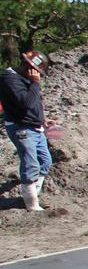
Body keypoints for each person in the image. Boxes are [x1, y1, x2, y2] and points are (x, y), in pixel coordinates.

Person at [0, 50, 53, 211]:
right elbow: (26, 103)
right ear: (27, 66)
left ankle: (31, 196)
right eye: (36, 70)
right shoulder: (9, 79)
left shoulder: (26, 78)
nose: (37, 74)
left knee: (45, 161)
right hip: (21, 127)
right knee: (30, 164)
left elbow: (34, 103)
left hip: (34, 126)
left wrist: (42, 119)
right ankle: (31, 204)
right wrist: (35, 83)